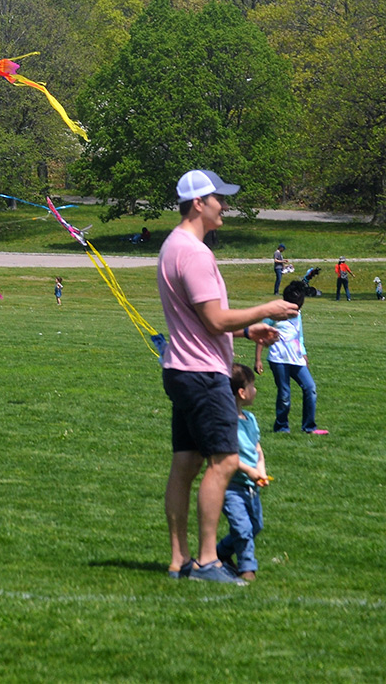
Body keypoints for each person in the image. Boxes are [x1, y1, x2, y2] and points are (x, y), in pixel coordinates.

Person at [158, 169, 290, 584]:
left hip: (180, 369)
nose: (225, 206)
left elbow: (200, 319)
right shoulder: (195, 253)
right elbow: (214, 319)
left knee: (184, 464)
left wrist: (247, 331)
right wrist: (265, 309)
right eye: (220, 199)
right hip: (202, 373)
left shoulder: (172, 246)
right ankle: (209, 562)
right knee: (226, 461)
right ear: (199, 203)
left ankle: (179, 560)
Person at [254, 279, 328, 435]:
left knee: (310, 388)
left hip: (296, 359)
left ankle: (309, 427)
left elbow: (298, 336)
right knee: (285, 394)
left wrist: (304, 354)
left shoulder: (298, 314)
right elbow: (262, 333)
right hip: (278, 359)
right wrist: (258, 359)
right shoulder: (275, 314)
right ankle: (281, 427)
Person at [217, 364, 269, 582]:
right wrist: (249, 470)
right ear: (241, 392)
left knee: (256, 525)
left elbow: (257, 449)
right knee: (243, 527)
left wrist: (261, 471)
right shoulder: (226, 423)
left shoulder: (250, 419)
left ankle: (221, 552)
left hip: (251, 486)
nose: (255, 390)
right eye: (252, 386)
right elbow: (227, 456)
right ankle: (247, 568)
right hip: (232, 487)